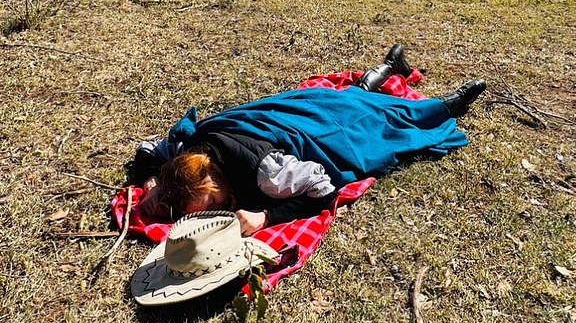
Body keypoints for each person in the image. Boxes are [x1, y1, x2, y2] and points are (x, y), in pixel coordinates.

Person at [130, 45, 486, 236]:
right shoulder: (183, 157)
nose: (207, 212)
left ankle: (447, 106)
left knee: (379, 121)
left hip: (310, 132)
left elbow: (324, 189)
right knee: (354, 95)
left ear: (213, 180)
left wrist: (266, 217)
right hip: (280, 119)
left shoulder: (269, 176)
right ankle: (390, 67)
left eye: (208, 203)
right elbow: (149, 149)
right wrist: (153, 183)